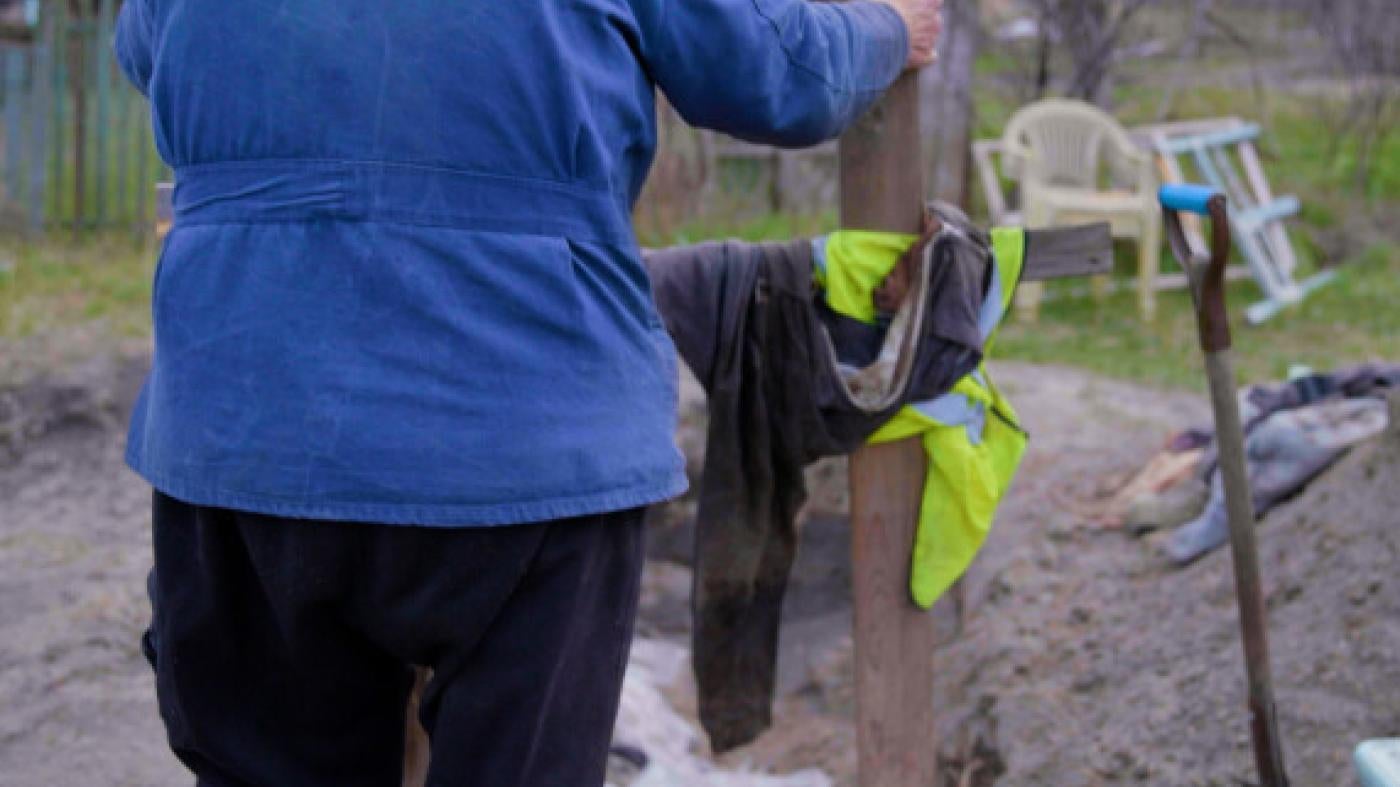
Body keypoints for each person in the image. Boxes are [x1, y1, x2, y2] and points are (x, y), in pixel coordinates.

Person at [114, 0, 942, 783]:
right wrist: (884, 27)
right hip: (524, 436)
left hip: (243, 424)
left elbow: (147, 51)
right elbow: (777, 73)